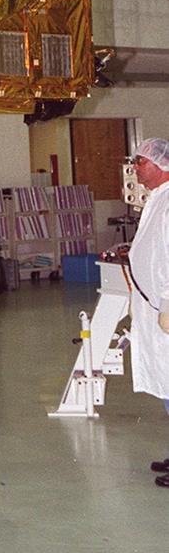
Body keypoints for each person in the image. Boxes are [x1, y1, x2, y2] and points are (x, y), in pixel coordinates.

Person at [126, 138, 169, 487]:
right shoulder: (157, 199)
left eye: (140, 161)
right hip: (155, 308)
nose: (135, 167)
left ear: (159, 164)